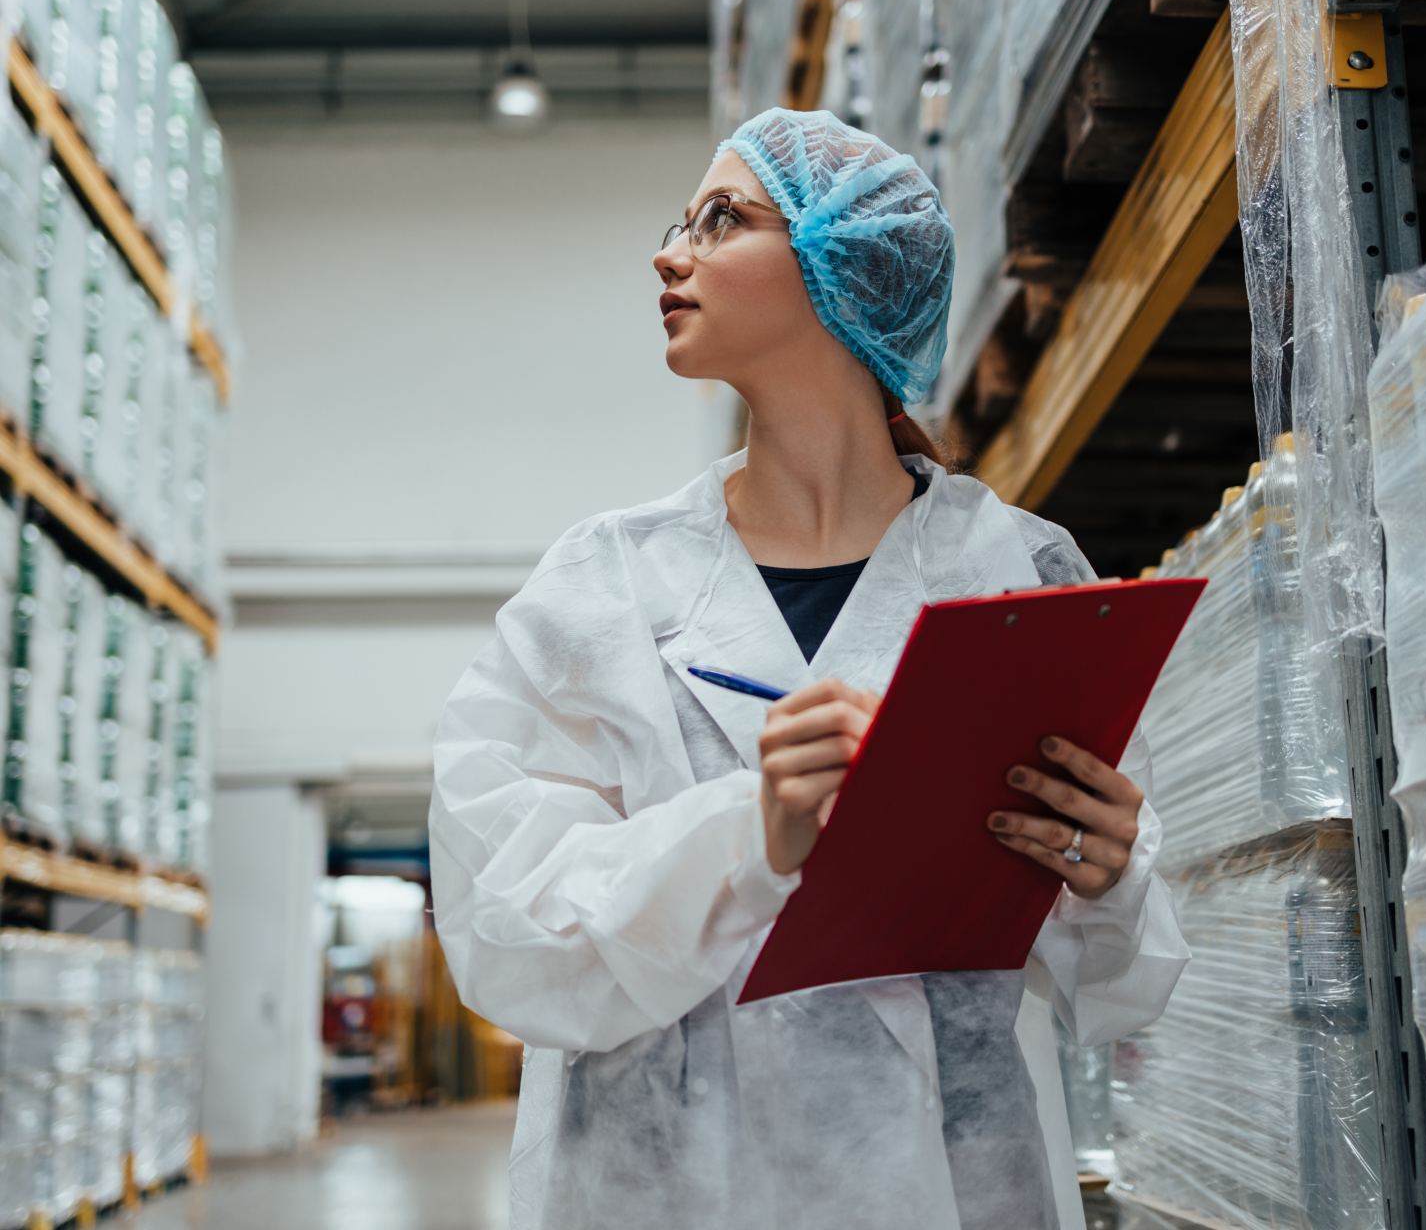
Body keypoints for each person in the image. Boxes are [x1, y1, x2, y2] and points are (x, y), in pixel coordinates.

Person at [430, 108, 1190, 1230]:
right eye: (680, 220)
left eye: (720, 219)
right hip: (656, 1197)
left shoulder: (1015, 572)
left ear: (842, 268)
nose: (668, 249)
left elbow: (1117, 986)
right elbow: (507, 933)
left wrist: (1108, 875)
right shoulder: (600, 587)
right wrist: (754, 836)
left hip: (954, 1195)